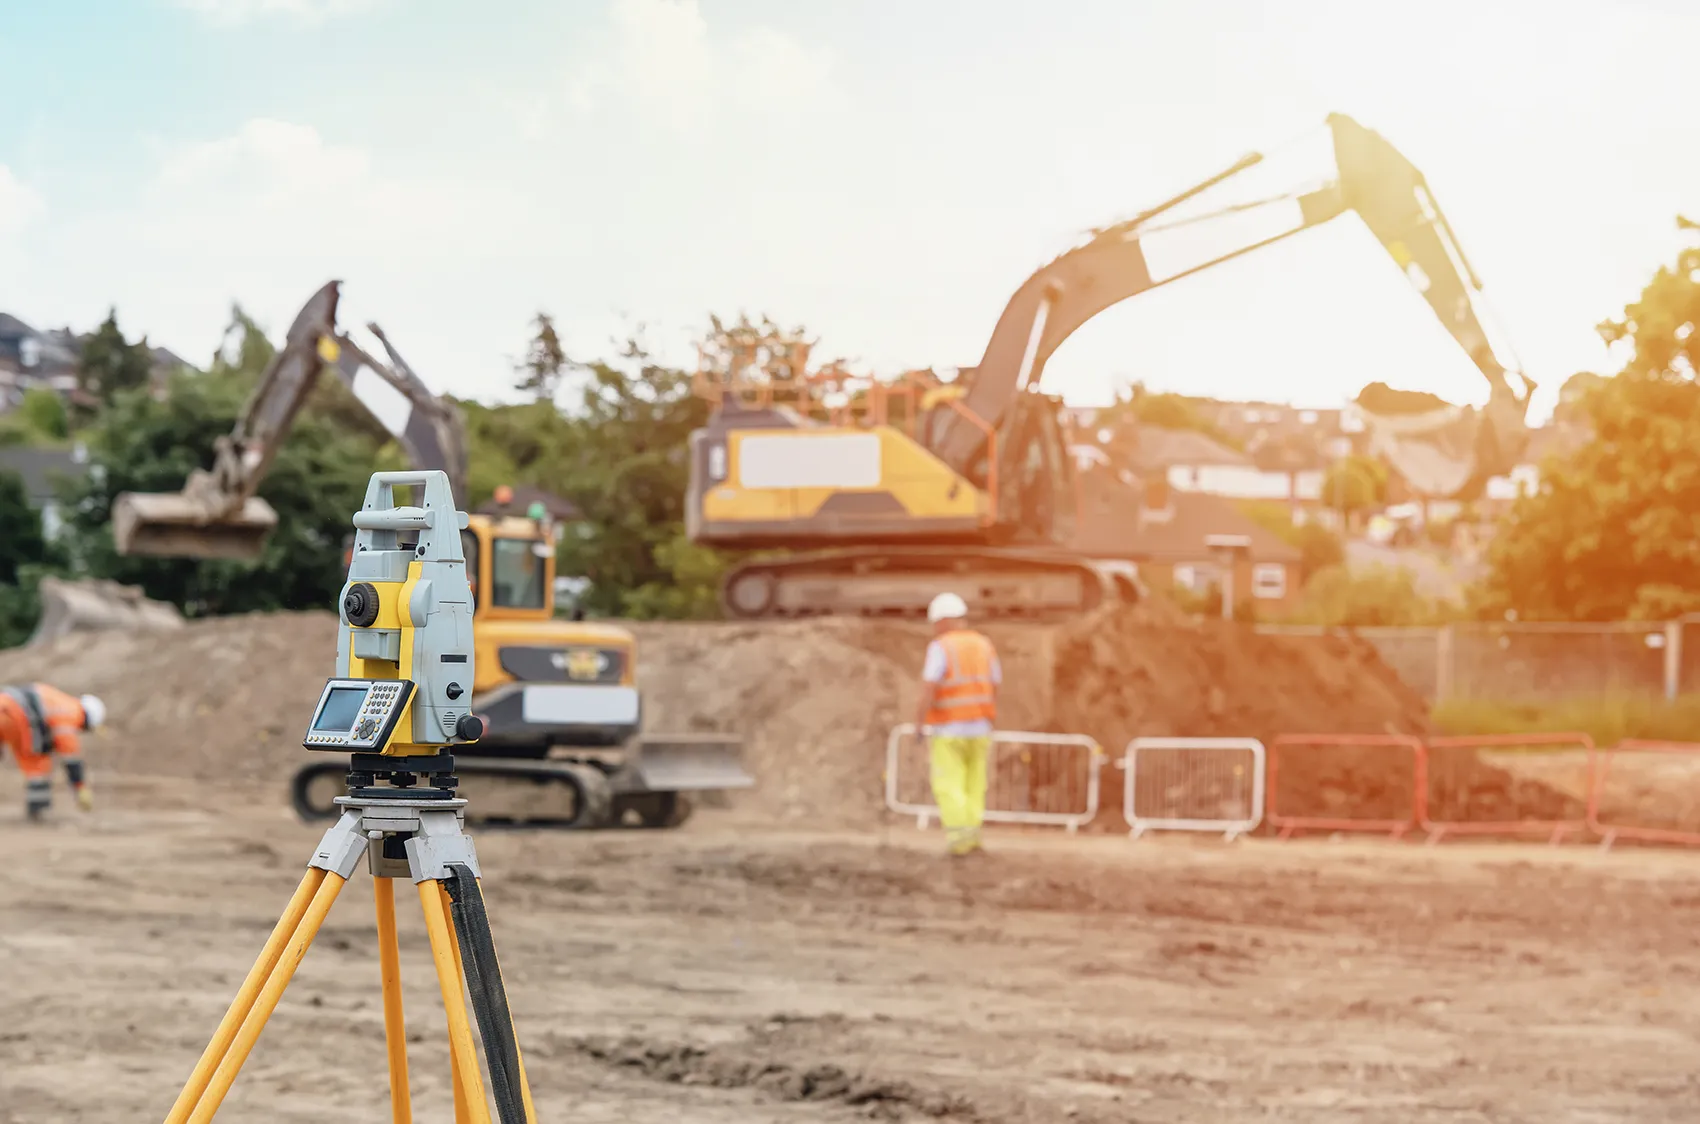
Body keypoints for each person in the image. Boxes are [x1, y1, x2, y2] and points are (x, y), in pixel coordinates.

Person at [915, 592, 1000, 857]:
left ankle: (959, 842)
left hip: (949, 729)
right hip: (980, 727)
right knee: (975, 786)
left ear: (942, 621)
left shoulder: (942, 646)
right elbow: (995, 683)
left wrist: (919, 722)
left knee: (949, 785)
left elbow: (929, 686)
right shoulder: (984, 644)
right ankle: (973, 839)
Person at [0, 683, 104, 820]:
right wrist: (80, 787)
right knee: (38, 764)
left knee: (36, 766)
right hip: (13, 716)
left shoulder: (60, 700)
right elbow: (71, 757)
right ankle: (38, 812)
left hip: (11, 711)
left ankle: (37, 811)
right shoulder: (71, 713)